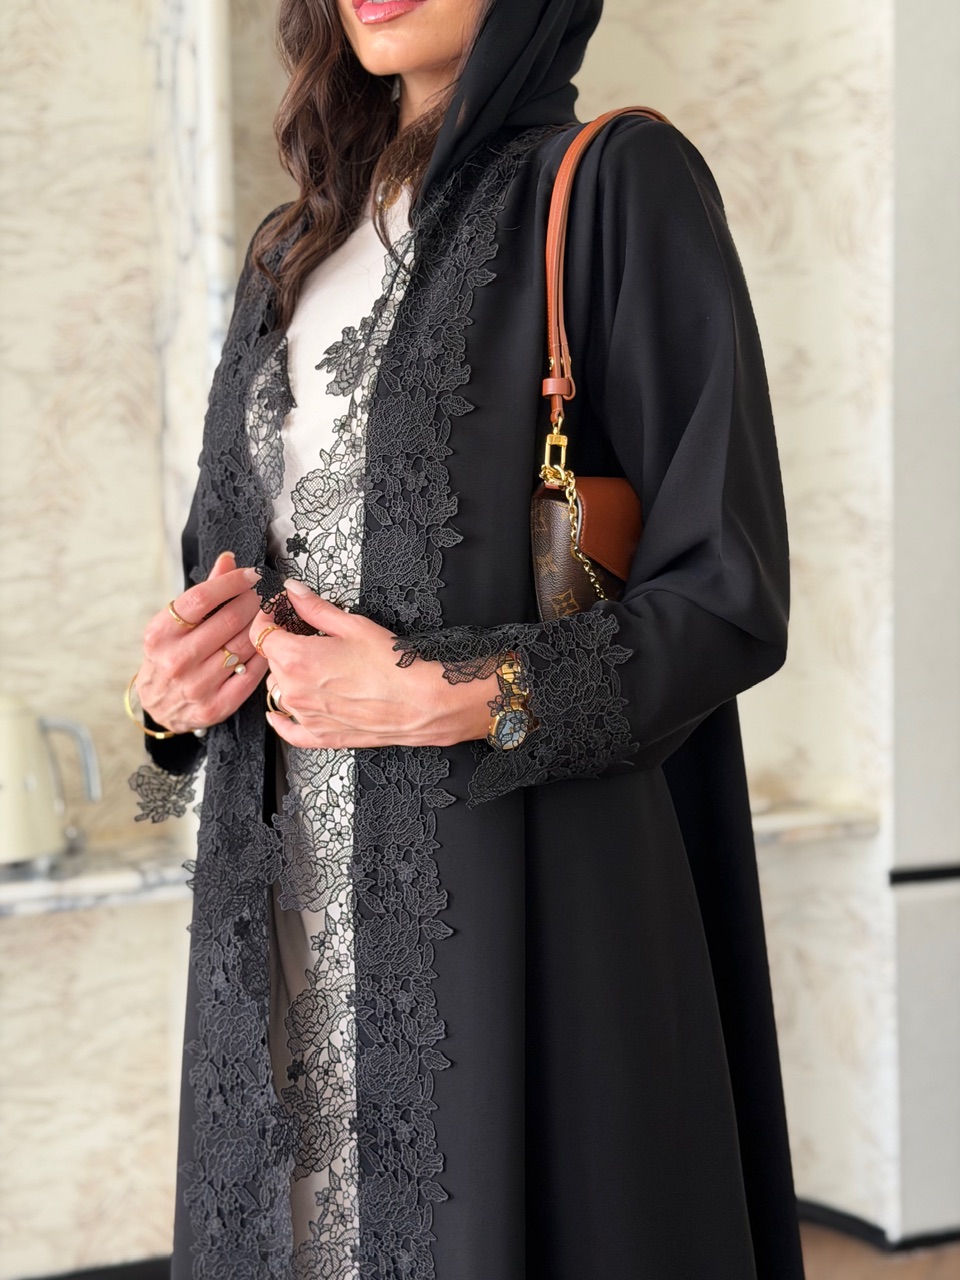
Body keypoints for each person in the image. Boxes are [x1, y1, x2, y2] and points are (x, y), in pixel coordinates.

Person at [128, 0, 806, 1275]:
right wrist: (170, 697)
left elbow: (729, 594)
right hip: (286, 932)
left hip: (520, 924)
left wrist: (450, 691)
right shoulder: (289, 250)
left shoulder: (611, 186)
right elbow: (225, 586)